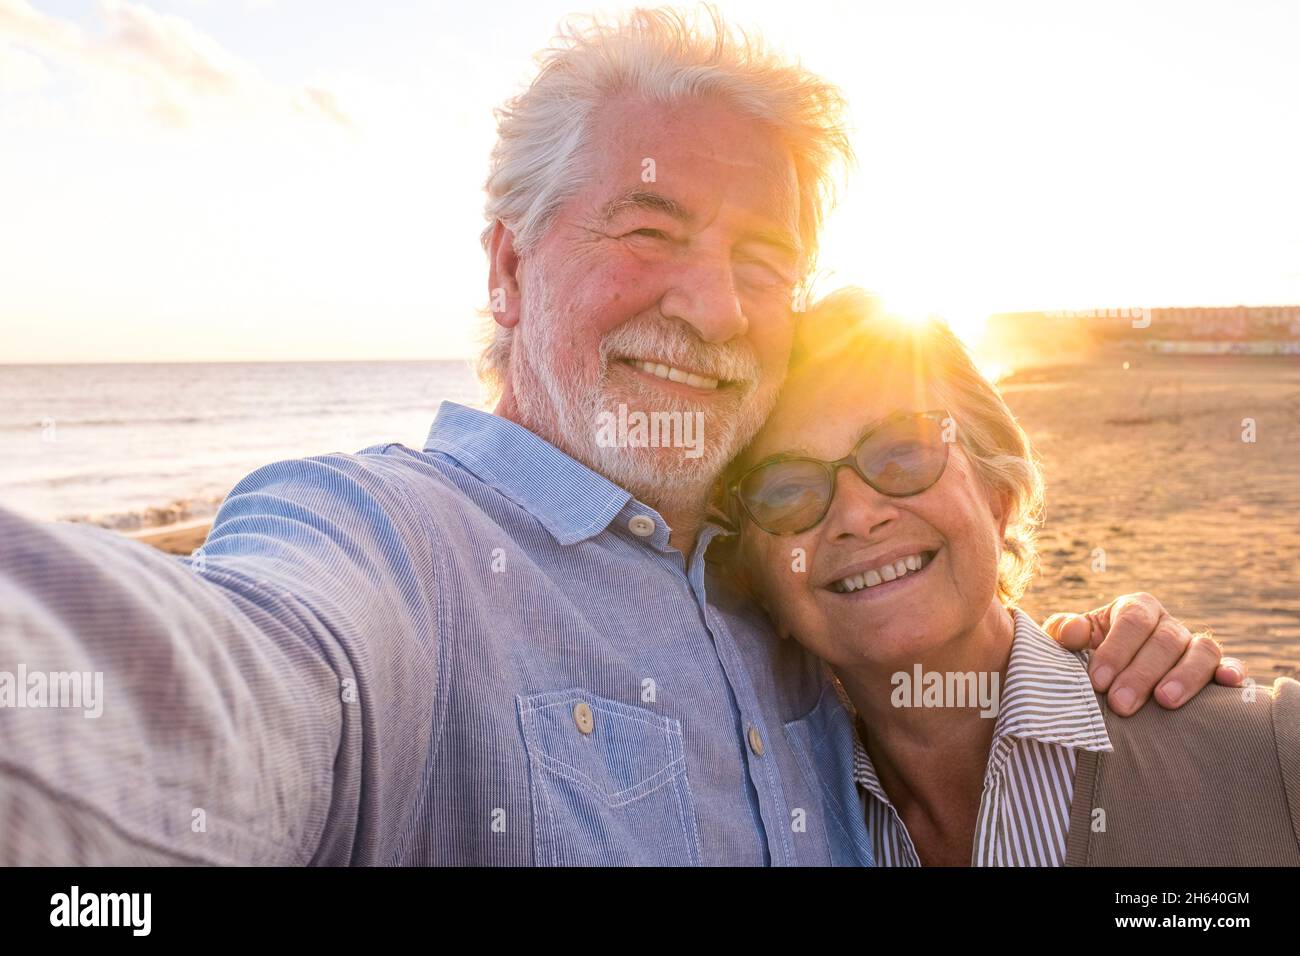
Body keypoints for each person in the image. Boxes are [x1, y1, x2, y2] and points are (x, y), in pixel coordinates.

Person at [0, 7, 1241, 866]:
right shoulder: (393, 548)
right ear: (508, 264)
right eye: (648, 229)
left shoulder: (781, 580)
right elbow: (231, 682)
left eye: (763, 259)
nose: (711, 306)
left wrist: (1098, 667)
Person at [725, 287, 1297, 865]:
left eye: (904, 451)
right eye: (787, 490)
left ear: (998, 498)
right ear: (757, 580)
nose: (857, 515)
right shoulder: (775, 830)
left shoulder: (1272, 757)